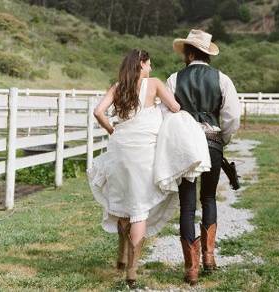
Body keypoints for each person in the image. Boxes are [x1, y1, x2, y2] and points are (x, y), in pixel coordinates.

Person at [87, 49, 182, 288]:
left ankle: (120, 255)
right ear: (141, 64)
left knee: (123, 203)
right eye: (149, 63)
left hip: (119, 150)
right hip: (143, 152)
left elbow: (98, 111)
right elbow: (176, 107)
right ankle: (132, 269)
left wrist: (112, 130)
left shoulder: (118, 87)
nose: (151, 67)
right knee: (139, 208)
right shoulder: (155, 84)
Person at [166, 29, 241, 285]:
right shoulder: (223, 79)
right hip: (212, 143)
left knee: (187, 205)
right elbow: (232, 118)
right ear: (207, 54)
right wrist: (223, 139)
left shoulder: (174, 79)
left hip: (186, 145)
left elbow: (167, 117)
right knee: (208, 197)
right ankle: (209, 257)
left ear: (188, 53)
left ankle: (191, 269)